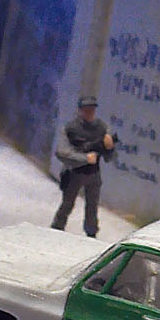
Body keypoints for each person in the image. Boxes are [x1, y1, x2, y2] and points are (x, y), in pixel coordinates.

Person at [50, 96, 115, 237]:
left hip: (93, 174)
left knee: (92, 206)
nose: (89, 112)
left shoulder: (102, 128)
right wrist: (84, 158)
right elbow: (61, 152)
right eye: (86, 109)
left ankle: (91, 233)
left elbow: (109, 158)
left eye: (92, 109)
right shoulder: (71, 128)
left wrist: (109, 147)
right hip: (74, 172)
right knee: (67, 204)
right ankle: (57, 228)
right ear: (80, 110)